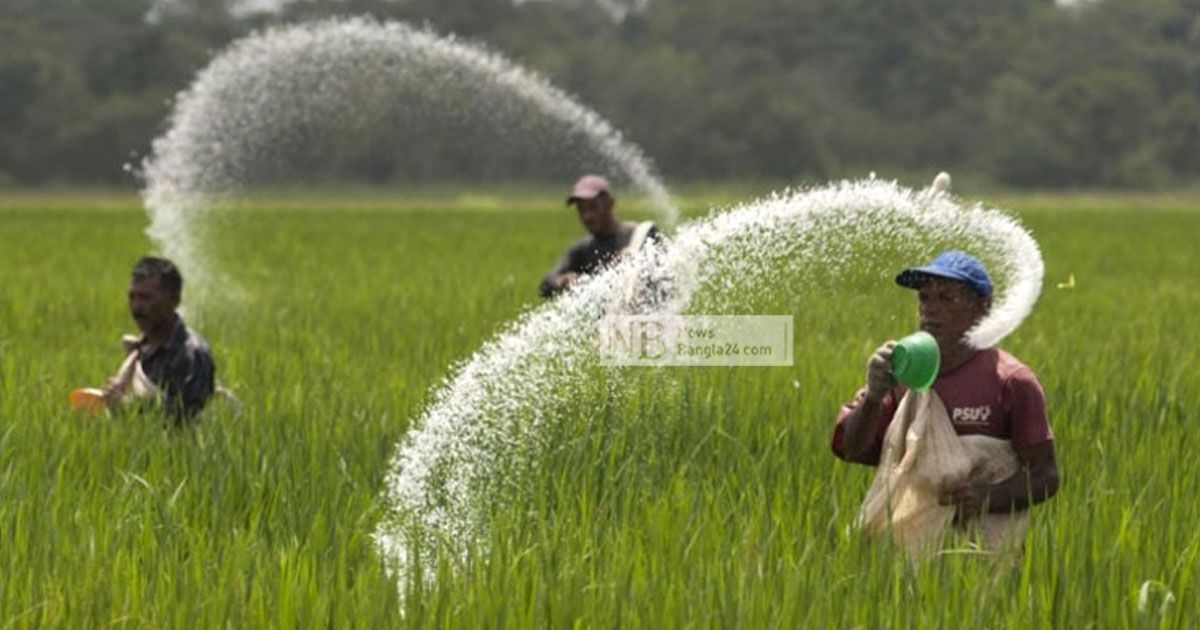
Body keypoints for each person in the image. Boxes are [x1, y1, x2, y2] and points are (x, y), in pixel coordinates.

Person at [833, 251, 1059, 530]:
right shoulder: (902, 375)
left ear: (982, 309)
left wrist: (987, 497)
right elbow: (853, 450)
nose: (930, 308)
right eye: (925, 297)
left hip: (985, 555)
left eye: (946, 298)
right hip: (906, 555)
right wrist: (874, 395)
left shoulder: (1012, 381)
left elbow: (1045, 475)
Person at [101, 256, 216, 422]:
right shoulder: (139, 349)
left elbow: (189, 416)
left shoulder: (192, 354)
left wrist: (127, 407)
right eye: (132, 297)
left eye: (146, 298)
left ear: (175, 301)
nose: (137, 307)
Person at [539, 175, 662, 298]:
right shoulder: (583, 249)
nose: (587, 216)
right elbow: (546, 285)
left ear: (610, 204)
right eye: (581, 209)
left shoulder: (642, 235)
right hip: (609, 316)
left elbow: (663, 283)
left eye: (593, 207)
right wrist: (562, 281)